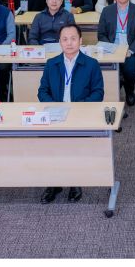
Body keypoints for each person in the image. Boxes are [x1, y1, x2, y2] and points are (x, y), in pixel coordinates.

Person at [36, 24, 105, 203]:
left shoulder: (91, 64)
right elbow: (42, 91)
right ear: (59, 42)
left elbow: (98, 93)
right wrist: (54, 107)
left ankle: (75, 181)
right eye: (65, 39)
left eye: (73, 39)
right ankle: (54, 183)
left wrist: (79, 108)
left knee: (73, 143)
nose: (69, 43)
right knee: (49, 144)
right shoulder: (52, 64)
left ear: (80, 41)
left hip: (80, 115)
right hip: (55, 114)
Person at [98, 0, 135, 106]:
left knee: (130, 69)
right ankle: (116, 86)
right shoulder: (106, 11)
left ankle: (129, 90)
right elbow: (101, 34)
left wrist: (130, 51)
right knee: (102, 69)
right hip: (112, 50)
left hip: (131, 51)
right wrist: (111, 49)